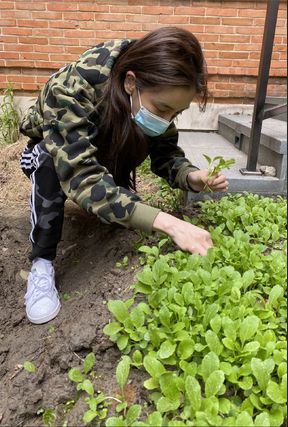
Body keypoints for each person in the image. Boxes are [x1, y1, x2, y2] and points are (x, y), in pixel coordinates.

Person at [19, 26, 229, 325]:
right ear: (131, 83)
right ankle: (41, 264)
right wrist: (168, 223)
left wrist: (190, 176)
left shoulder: (152, 91)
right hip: (51, 151)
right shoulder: (72, 88)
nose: (167, 120)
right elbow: (81, 174)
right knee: (50, 160)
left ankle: (115, 209)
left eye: (176, 113)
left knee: (141, 132)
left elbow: (166, 153)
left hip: (102, 145)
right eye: (164, 108)